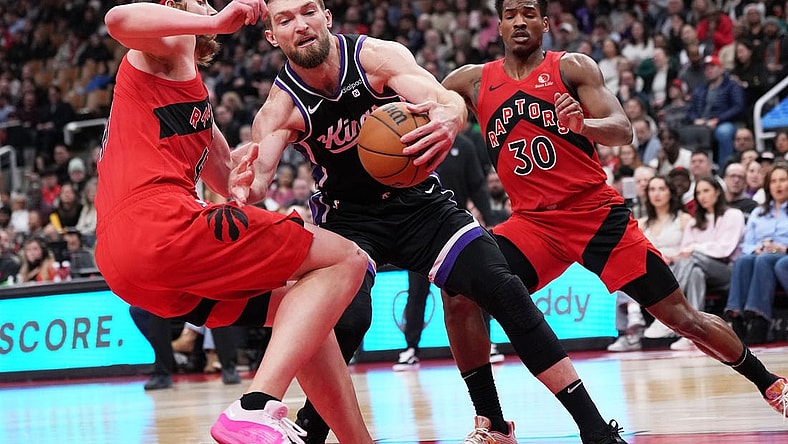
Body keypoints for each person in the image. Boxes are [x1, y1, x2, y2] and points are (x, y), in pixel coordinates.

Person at [248, 1, 625, 442]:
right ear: (273, 36)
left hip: (420, 205)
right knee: (344, 322)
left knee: (501, 286)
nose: (301, 25)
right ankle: (310, 430)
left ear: (327, 17)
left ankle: (581, 428)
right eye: (285, 20)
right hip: (349, 221)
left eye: (308, 11)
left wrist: (447, 117)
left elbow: (445, 99)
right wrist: (238, 181)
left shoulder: (375, 57)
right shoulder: (280, 107)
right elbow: (254, 184)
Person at [442, 0, 788, 425]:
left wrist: (584, 126)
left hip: (594, 215)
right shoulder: (472, 81)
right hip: (532, 224)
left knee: (683, 319)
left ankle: (770, 383)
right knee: (458, 291)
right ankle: (492, 423)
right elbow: (426, 103)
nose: (520, 21)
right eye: (511, 13)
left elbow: (622, 128)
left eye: (529, 12)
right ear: (497, 25)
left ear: (546, 23)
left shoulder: (572, 68)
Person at [99, 2, 372, 443]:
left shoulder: (192, 102)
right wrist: (212, 22)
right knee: (346, 260)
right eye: (202, 0)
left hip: (128, 260)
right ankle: (256, 405)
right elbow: (117, 20)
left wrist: (244, 176)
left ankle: (357, 440)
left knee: (298, 311)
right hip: (158, 223)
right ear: (172, 6)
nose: (212, 6)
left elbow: (230, 178)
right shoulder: (155, 56)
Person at [669, 176, 746, 350]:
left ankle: (671, 301)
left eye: (706, 191)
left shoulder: (733, 215)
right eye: (698, 193)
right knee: (695, 271)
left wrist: (695, 247)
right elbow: (684, 253)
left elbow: (725, 249)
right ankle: (692, 333)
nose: (702, 196)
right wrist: (690, 251)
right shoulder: (694, 223)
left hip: (728, 272)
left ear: (718, 192)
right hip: (700, 270)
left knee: (692, 257)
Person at [724, 163, 788, 345]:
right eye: (774, 181)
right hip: (763, 255)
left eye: (783, 180)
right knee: (744, 260)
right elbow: (747, 244)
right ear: (768, 186)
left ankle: (759, 318)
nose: (778, 185)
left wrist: (782, 248)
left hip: (783, 254)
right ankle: (736, 315)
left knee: (764, 260)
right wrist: (756, 249)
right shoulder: (759, 212)